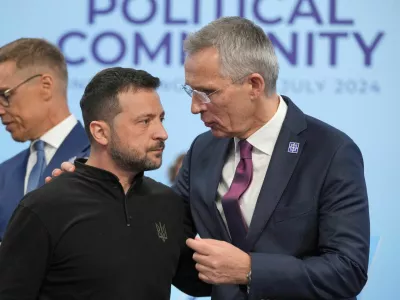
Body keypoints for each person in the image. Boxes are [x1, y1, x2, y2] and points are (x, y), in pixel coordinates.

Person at [48, 17, 370, 300]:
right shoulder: (203, 150)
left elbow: (349, 269)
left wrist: (250, 270)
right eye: (192, 92)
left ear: (254, 85)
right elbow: (162, 232)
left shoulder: (331, 152)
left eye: (208, 93)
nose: (196, 107)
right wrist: (93, 189)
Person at [0, 67, 210, 300]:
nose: (162, 133)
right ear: (100, 132)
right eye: (145, 121)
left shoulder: (168, 204)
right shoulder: (43, 208)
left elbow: (201, 283)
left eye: (161, 119)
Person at [0, 38, 90, 240]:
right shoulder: (3, 174)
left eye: (5, 95)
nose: (0, 109)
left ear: (46, 85)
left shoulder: (102, 160)